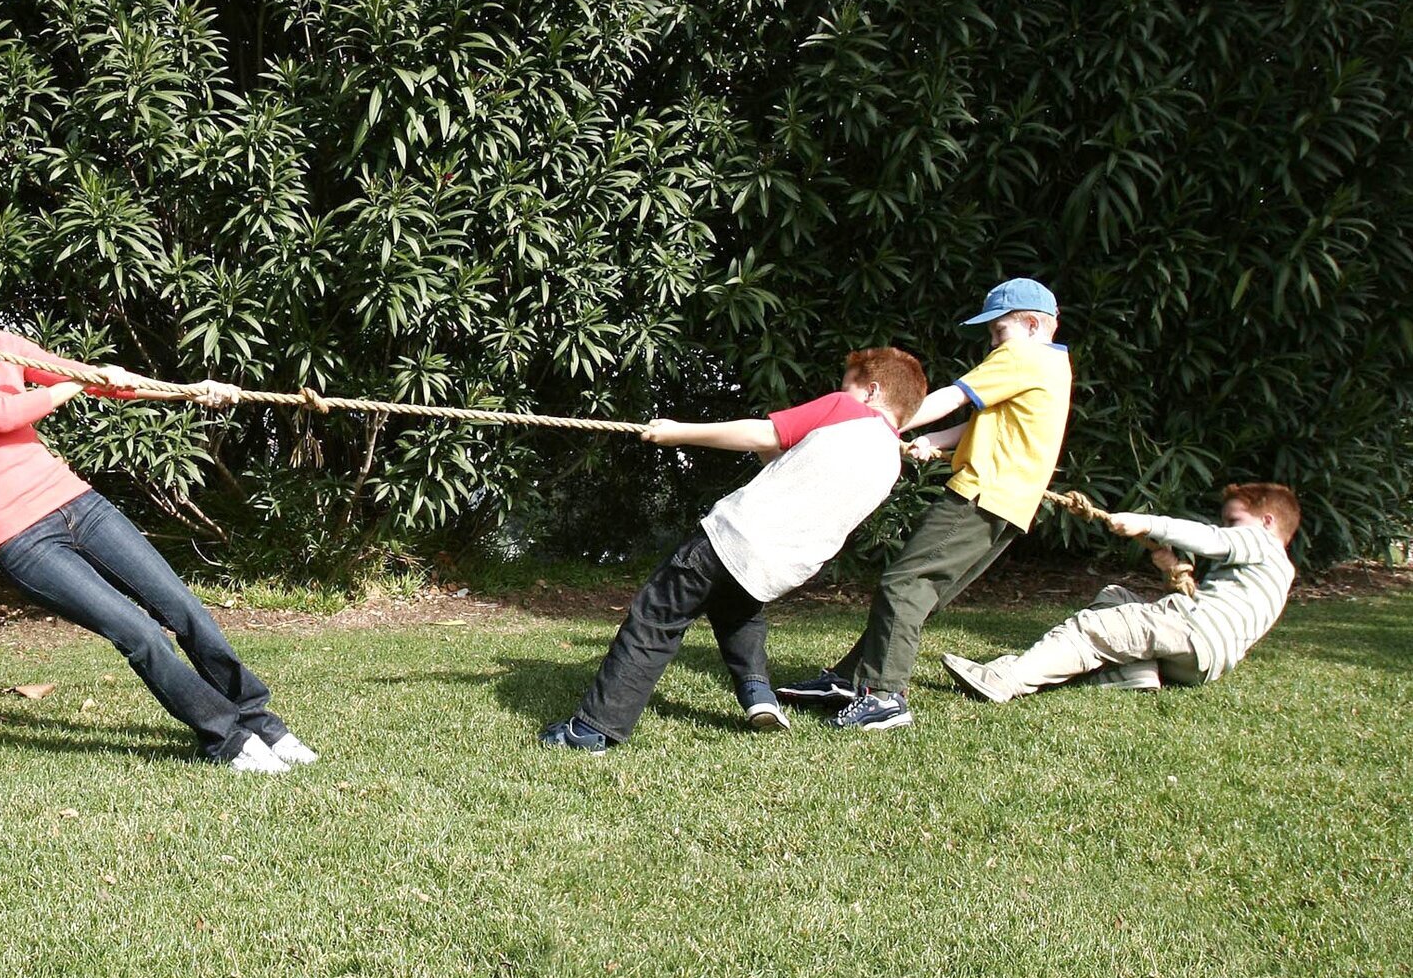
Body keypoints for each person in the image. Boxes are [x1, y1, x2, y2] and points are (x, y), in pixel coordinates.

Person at [0, 246, 313, 773]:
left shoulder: (1, 348)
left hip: (80, 504)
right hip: (22, 539)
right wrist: (77, 385)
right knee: (138, 633)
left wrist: (191, 392)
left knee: (185, 611)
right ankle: (226, 738)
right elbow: (2, 415)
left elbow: (105, 379)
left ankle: (261, 723)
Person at [539, 347, 927, 753]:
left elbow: (762, 435)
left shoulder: (846, 410)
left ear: (871, 391)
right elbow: (791, 469)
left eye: (848, 386)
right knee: (738, 614)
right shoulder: (891, 461)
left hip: (731, 539)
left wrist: (678, 432)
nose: (841, 392)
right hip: (778, 569)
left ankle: (590, 731)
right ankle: (759, 694)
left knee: (655, 619)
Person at [777, 278, 1074, 731]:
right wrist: (934, 439)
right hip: (1013, 504)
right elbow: (989, 420)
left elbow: (953, 397)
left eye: (998, 331)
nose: (993, 343)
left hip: (981, 492)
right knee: (919, 593)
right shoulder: (1053, 366)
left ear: (1032, 325)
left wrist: (882, 420)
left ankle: (884, 696)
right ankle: (849, 679)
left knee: (904, 584)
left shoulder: (1021, 355)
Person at [940, 483, 1300, 702]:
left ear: (1267, 522)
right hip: (1205, 662)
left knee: (1090, 629)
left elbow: (1211, 539)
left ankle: (1007, 680)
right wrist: (1169, 568)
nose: (1228, 528)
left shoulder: (1261, 540)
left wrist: (1147, 523)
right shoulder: (1280, 572)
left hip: (1193, 631)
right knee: (1115, 596)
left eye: (1234, 521)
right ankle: (1137, 672)